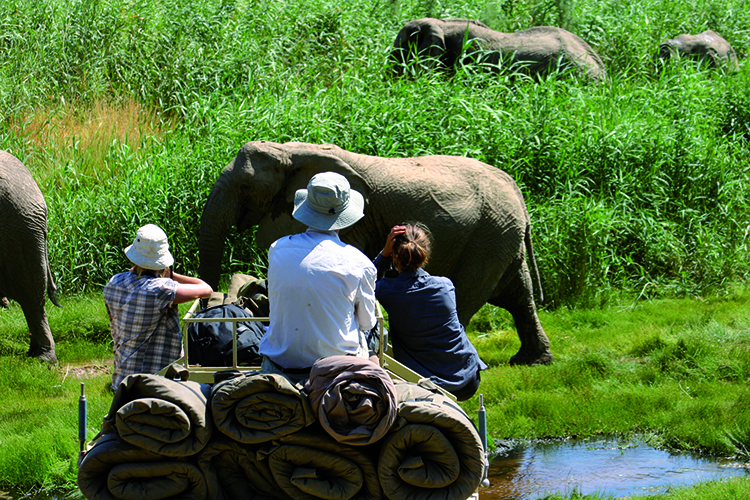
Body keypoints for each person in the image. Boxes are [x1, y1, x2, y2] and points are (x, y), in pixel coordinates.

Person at [258, 172, 378, 381]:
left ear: (308, 207)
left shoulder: (277, 248)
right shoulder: (360, 263)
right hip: (335, 370)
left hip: (279, 364)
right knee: (371, 333)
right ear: (344, 214)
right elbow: (367, 323)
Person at [373, 224, 488, 401]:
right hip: (468, 379)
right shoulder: (445, 286)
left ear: (395, 254)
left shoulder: (387, 292)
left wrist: (384, 255)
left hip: (425, 385)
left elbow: (367, 282)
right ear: (425, 253)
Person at [104, 224, 213, 389]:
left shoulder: (114, 282)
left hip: (122, 379)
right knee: (206, 392)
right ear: (161, 262)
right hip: (157, 382)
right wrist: (172, 275)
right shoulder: (161, 289)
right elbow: (206, 289)